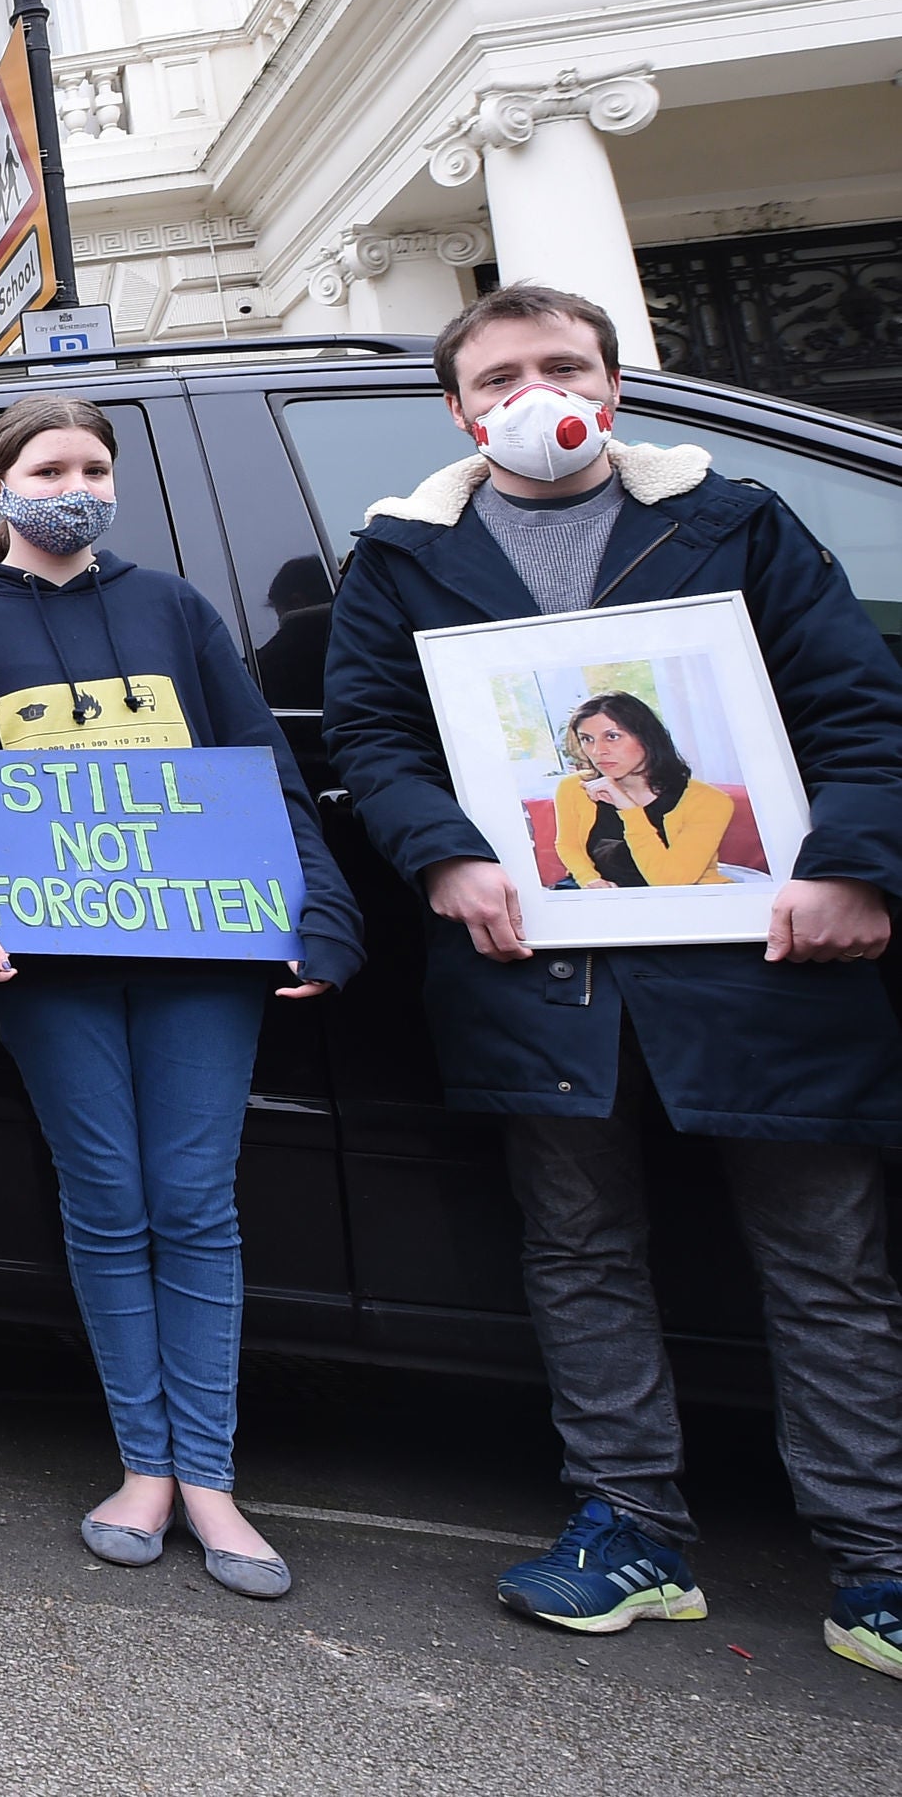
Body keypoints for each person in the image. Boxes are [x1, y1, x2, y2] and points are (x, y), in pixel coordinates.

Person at [322, 283, 902, 1681]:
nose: (537, 390)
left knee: (827, 1258)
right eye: (503, 373)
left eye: (562, 364)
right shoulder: (404, 556)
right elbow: (375, 736)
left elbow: (853, 704)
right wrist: (444, 859)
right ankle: (632, 1523)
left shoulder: (734, 518)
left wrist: (852, 864)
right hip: (546, 971)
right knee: (579, 1249)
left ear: (614, 380)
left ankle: (879, 1558)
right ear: (460, 408)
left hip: (760, 956)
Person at [0, 394, 360, 1602]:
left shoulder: (170, 607)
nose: (77, 483)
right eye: (49, 464)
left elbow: (258, 757)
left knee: (194, 1204)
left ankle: (206, 1477)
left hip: (201, 958)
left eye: (95, 466)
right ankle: (141, 1467)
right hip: (46, 967)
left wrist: (322, 909)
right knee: (106, 1202)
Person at [552, 692, 735, 889]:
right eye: (587, 739)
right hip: (598, 897)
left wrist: (629, 810)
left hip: (676, 901)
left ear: (647, 737)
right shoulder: (573, 787)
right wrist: (590, 880)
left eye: (612, 737)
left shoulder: (709, 801)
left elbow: (670, 882)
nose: (598, 751)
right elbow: (568, 845)